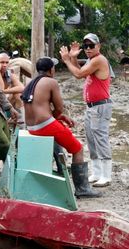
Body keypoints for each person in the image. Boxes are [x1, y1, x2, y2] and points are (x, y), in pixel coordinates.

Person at [21, 57, 102, 198]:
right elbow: (59, 108)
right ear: (51, 69)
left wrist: (57, 118)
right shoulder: (51, 82)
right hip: (45, 125)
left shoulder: (30, 83)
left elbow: (42, 110)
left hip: (31, 127)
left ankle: (60, 174)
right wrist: (57, 117)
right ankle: (82, 189)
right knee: (77, 149)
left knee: (58, 143)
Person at [59, 33, 113, 187]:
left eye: (91, 46)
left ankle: (106, 175)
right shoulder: (92, 60)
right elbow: (82, 73)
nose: (88, 49)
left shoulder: (99, 60)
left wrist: (67, 60)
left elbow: (78, 74)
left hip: (100, 106)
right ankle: (97, 173)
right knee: (91, 139)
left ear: (99, 46)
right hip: (92, 107)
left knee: (100, 138)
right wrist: (74, 58)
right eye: (86, 46)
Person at [0, 52, 25, 123]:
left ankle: (17, 116)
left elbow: (22, 88)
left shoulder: (9, 74)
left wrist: (4, 91)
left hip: (5, 100)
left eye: (7, 62)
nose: (5, 65)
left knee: (17, 94)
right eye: (2, 62)